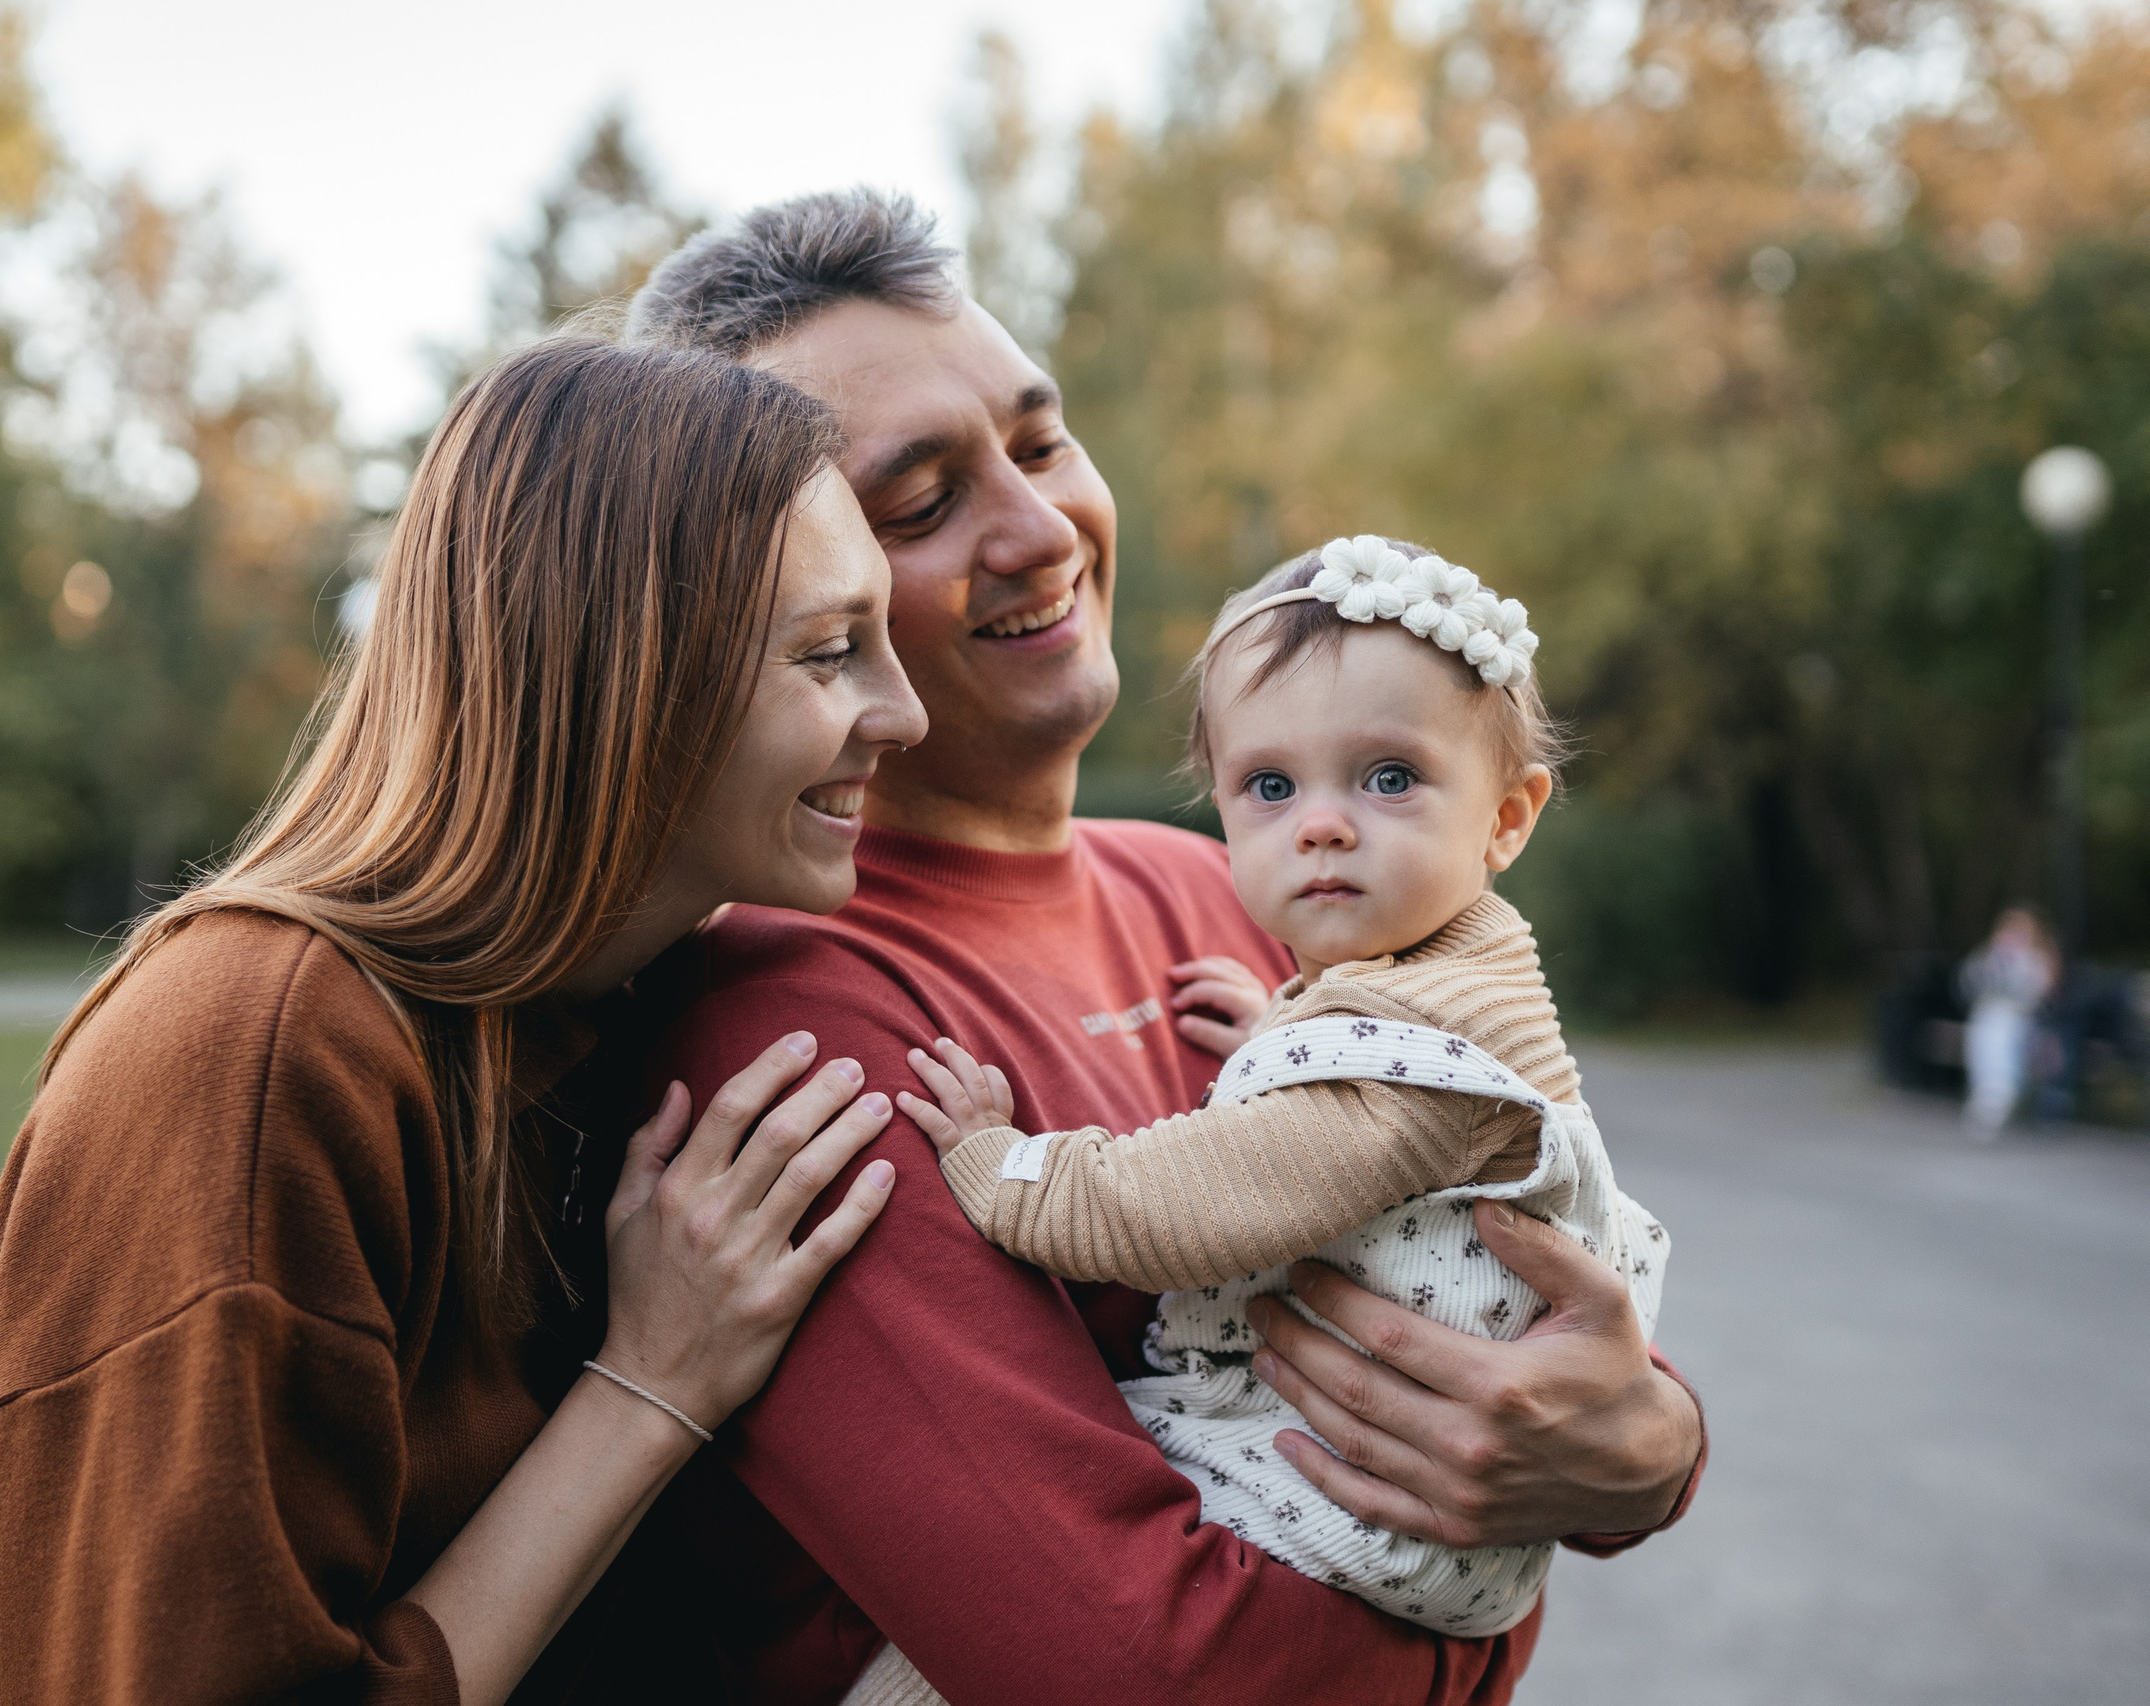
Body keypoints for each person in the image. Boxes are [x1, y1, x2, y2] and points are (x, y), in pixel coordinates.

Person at [624, 192, 1707, 1705]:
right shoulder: (800, 1031)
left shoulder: (1240, 889)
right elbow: (1140, 1669)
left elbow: (1508, 1279)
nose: (1038, 528)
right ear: (786, 600)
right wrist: (1483, 1642)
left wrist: (1652, 1446)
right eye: (920, 504)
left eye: (1041, 440)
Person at [0, 338, 928, 1705]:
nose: (903, 711)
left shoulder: (627, 1017)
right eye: (832, 652)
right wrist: (652, 1383)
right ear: (626, 673)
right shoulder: (252, 1056)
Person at [895, 538, 1667, 1672]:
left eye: (1389, 777)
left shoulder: (1411, 1063)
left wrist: (1001, 1163)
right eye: (1269, 786)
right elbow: (1380, 1137)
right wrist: (1276, 1029)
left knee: (944, 1655)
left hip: (1359, 1489)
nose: (1321, 823)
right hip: (1416, 1479)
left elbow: (1183, 1206)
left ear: (1507, 817)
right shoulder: (1444, 979)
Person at [1959, 904, 2058, 1136]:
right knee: (1984, 1036)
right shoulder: (1988, 955)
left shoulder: (2038, 959)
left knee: (2002, 1040)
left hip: (2020, 1019)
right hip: (1988, 1014)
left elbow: (2039, 993)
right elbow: (1968, 983)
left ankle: (1998, 1099)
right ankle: (1986, 1098)